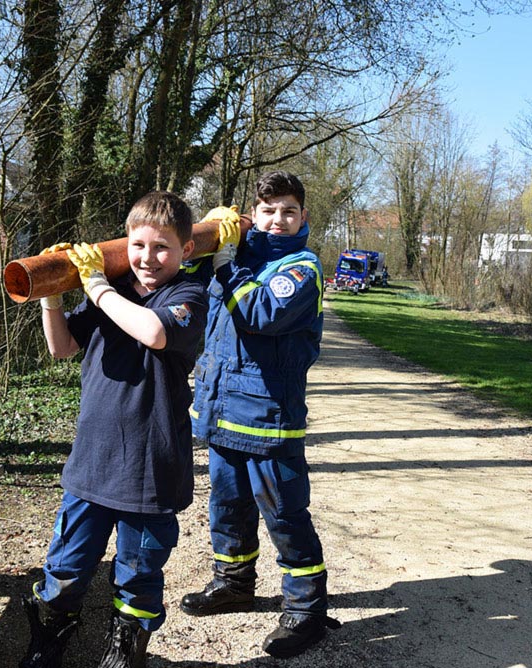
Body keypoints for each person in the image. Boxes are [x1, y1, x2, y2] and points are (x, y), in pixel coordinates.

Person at [22, 191, 209, 668]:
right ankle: (48, 643)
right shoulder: (114, 289)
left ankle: (125, 653)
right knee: (64, 567)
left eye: (162, 247)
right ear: (126, 244)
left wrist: (96, 285)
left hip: (151, 472)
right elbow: (62, 347)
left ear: (186, 250)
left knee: (139, 573)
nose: (148, 257)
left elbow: (153, 332)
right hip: (92, 465)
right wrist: (54, 295)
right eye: (139, 245)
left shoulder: (188, 296)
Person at [181, 171, 339, 659]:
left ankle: (306, 610)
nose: (277, 219)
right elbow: (184, 285)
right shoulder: (237, 258)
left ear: (303, 218)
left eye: (288, 211)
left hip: (270, 420)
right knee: (226, 506)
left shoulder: (302, 268)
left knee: (285, 515)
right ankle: (233, 582)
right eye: (268, 210)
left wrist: (227, 264)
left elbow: (261, 312)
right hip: (223, 411)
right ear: (257, 212)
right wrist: (207, 240)